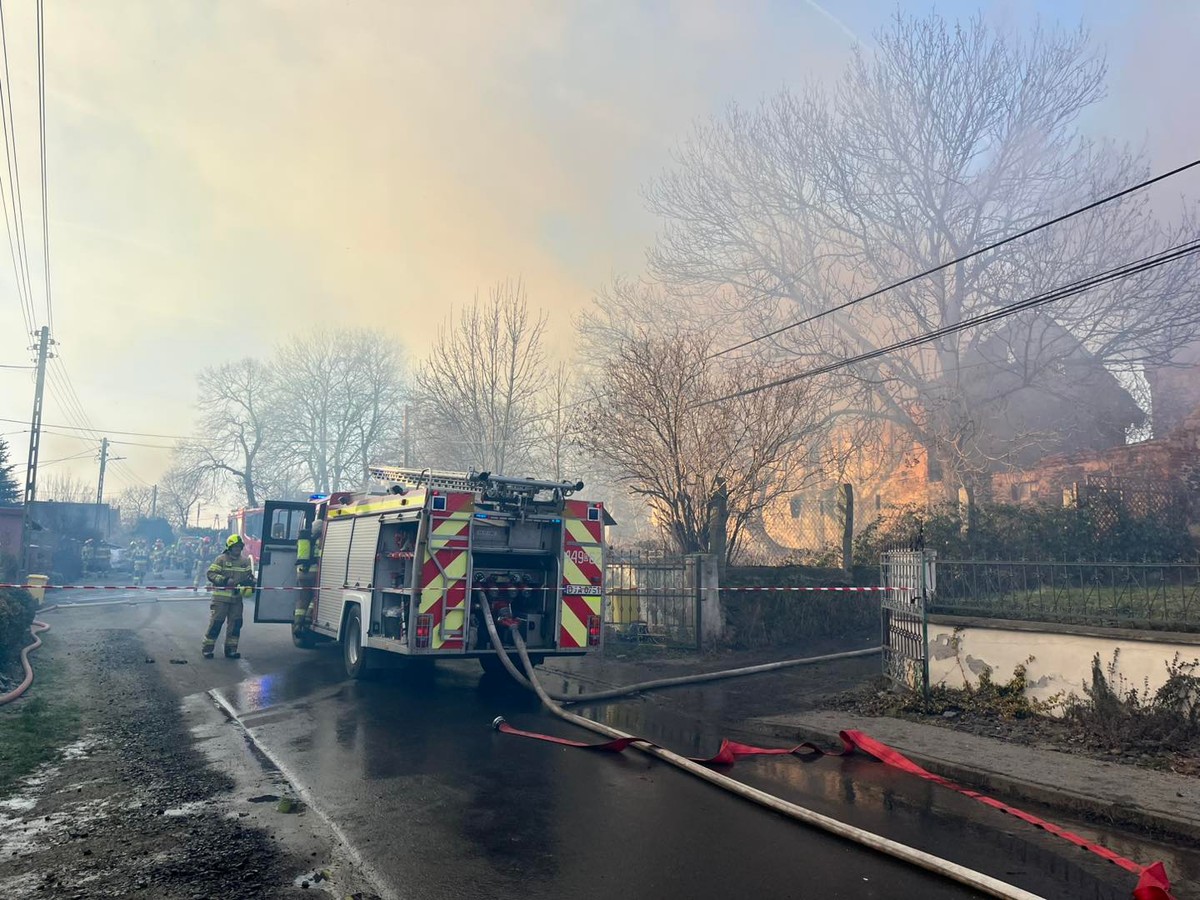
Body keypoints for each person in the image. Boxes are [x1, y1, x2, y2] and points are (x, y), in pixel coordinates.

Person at [202, 534, 255, 659]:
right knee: (216, 624)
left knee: (236, 625)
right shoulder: (221, 559)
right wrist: (224, 580)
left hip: (236, 599)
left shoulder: (244, 561)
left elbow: (249, 576)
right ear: (229, 547)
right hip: (221, 599)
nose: (237, 549)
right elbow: (211, 574)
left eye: (239, 547)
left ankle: (231, 650)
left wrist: (250, 582)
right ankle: (207, 649)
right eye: (235, 547)